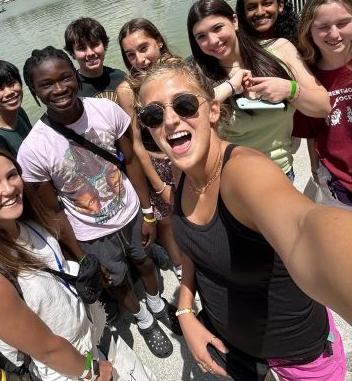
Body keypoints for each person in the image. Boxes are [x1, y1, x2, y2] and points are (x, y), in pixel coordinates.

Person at [130, 55, 350, 380]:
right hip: (234, 346)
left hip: (298, 355)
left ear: (213, 111)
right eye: (154, 114)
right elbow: (194, 248)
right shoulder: (183, 168)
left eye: (186, 105)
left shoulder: (244, 173)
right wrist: (186, 308)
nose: (171, 120)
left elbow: (304, 228)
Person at [18, 46, 181, 358]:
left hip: (131, 210)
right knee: (116, 281)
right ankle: (144, 320)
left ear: (76, 78)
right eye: (46, 84)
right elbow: (52, 210)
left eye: (65, 78)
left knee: (145, 262)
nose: (59, 88)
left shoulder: (105, 111)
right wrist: (81, 258)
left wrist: (147, 212)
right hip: (90, 231)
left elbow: (130, 160)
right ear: (34, 91)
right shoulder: (33, 149)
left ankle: (158, 303)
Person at [0, 145, 112, 381]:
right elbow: (47, 350)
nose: (9, 188)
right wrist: (92, 370)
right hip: (66, 371)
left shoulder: (29, 225)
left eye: (12, 175)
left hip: (87, 342)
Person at [187, 0, 330, 178]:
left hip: (281, 172)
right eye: (202, 36)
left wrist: (289, 89)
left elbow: (323, 106)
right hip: (234, 178)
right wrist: (230, 86)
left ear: (234, 21)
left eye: (217, 28)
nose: (213, 40)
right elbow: (190, 116)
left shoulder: (279, 49)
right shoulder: (200, 77)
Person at [117, 18, 182, 280]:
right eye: (130, 54)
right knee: (166, 220)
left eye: (144, 48)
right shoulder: (127, 89)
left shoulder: (179, 71)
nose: (139, 59)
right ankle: (181, 269)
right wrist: (160, 187)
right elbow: (135, 143)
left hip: (187, 153)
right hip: (158, 163)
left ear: (159, 41)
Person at [294, 0, 352, 208]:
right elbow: (310, 130)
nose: (334, 34)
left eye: (343, 23)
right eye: (323, 27)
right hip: (337, 183)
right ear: (309, 31)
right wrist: (314, 165)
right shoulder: (307, 77)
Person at [64, 17, 125, 103]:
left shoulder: (121, 78)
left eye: (94, 45)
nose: (90, 53)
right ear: (72, 54)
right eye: (82, 48)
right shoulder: (71, 89)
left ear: (104, 45)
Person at [235, 0, 299, 44]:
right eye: (251, 7)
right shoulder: (238, 47)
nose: (260, 12)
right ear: (243, 12)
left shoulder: (303, 39)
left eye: (267, 4)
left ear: (280, 5)